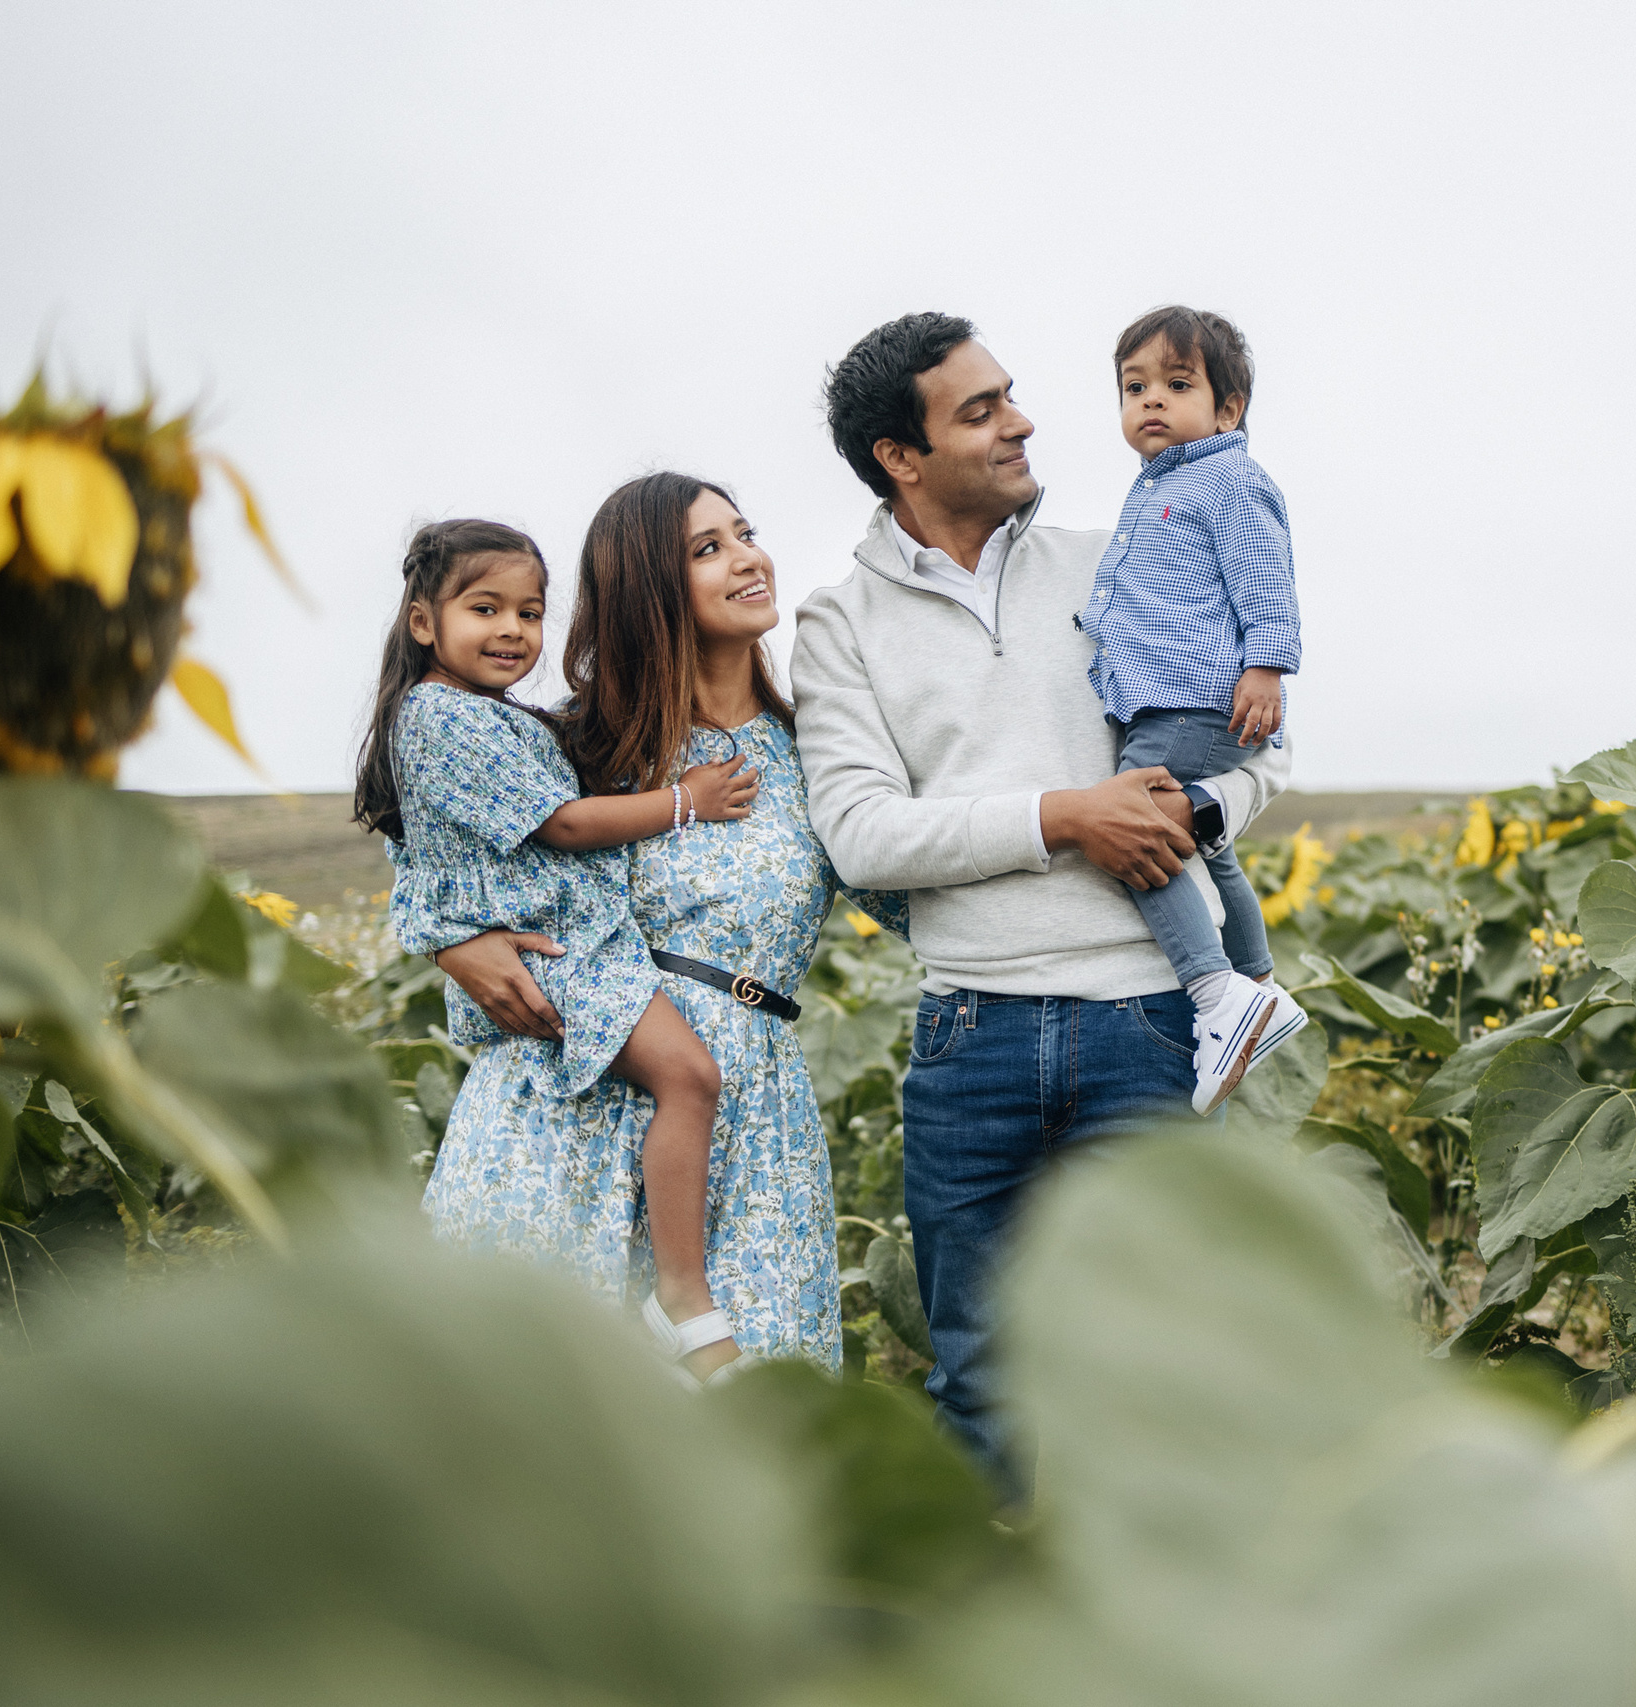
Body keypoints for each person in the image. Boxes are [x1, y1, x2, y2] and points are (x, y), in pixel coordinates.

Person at [796, 311, 1289, 1491]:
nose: (1021, 421)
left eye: (1010, 394)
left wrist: (1193, 817)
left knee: (1161, 1369)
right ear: (898, 458)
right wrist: (1065, 816)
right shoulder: (838, 625)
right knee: (982, 1378)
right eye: (979, 410)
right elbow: (863, 837)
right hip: (974, 1035)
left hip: (1153, 1026)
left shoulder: (1119, 554)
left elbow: (1258, 749)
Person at [425, 477, 905, 1378]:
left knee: (756, 1431)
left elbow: (921, 892)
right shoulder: (576, 746)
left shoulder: (816, 753)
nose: (748, 556)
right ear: (647, 586)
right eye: (707, 548)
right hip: (566, 1110)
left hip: (752, 1118)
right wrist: (454, 942)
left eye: (746, 533)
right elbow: (444, 843)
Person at [354, 518, 741, 1380]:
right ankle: (682, 1292)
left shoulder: (486, 718)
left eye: (530, 613)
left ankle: (674, 1286)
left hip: (558, 947)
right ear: (424, 622)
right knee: (689, 1075)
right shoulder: (441, 717)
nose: (512, 631)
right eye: (485, 607)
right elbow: (563, 824)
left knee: (676, 1082)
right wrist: (688, 801)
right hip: (564, 953)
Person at [1079, 305, 1309, 1114]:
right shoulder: (1162, 485)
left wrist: (1268, 666)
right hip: (1168, 700)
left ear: (1227, 408)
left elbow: (1266, 581)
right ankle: (1258, 983)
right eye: (1134, 387)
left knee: (1131, 831)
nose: (1150, 402)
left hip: (1190, 702)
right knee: (1208, 845)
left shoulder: (1228, 478)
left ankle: (1215, 994)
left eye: (1176, 385)